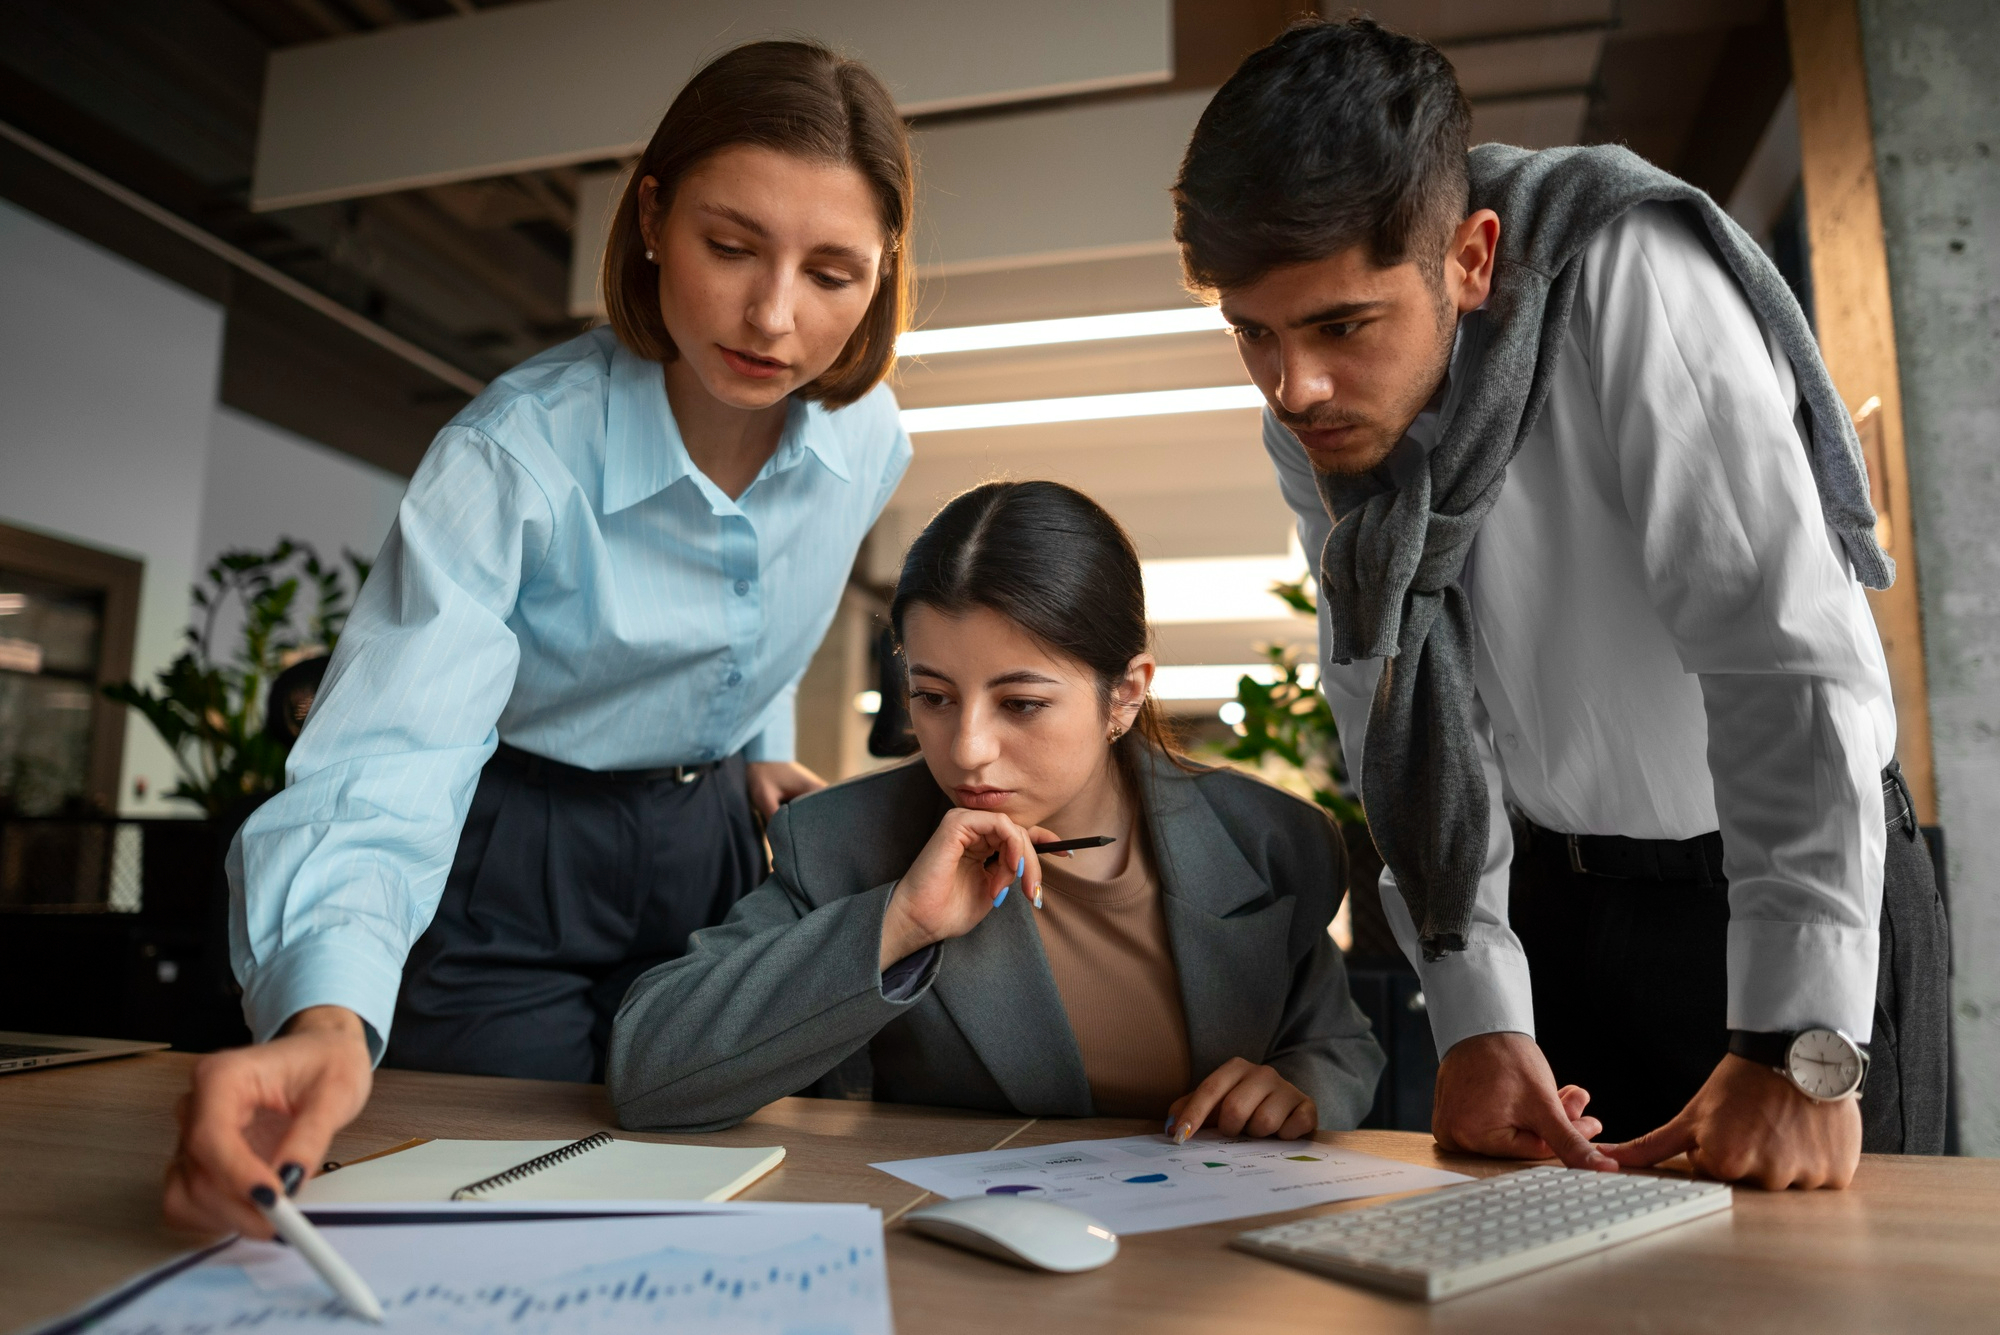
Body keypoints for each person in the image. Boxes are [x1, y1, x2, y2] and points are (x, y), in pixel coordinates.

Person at [1170, 18, 1948, 1188]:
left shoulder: (1625, 269)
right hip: (1558, 912)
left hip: (1783, 892)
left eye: (1339, 325)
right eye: (1253, 336)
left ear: (1470, 259)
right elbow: (1385, 700)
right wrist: (1479, 1006)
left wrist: (1791, 1044)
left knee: (1832, 1302)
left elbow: (1780, 656)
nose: (1294, 386)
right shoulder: (1322, 415)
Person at [164, 39, 917, 1238]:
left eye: (832, 272)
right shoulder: (513, 456)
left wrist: (740, 742)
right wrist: (325, 1018)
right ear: (653, 218)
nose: (774, 317)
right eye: (730, 247)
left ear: (882, 275)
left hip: (708, 841)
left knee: (722, 1189)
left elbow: (757, 599)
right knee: (501, 1199)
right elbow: (390, 755)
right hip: (506, 848)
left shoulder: (866, 442)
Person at [607, 481, 1386, 1134]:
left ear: (1126, 692)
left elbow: (1337, 1042)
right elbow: (648, 1069)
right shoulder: (843, 840)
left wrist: (1301, 1088)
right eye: (933, 697)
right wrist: (897, 925)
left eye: (1020, 702)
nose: (968, 747)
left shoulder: (1268, 840)